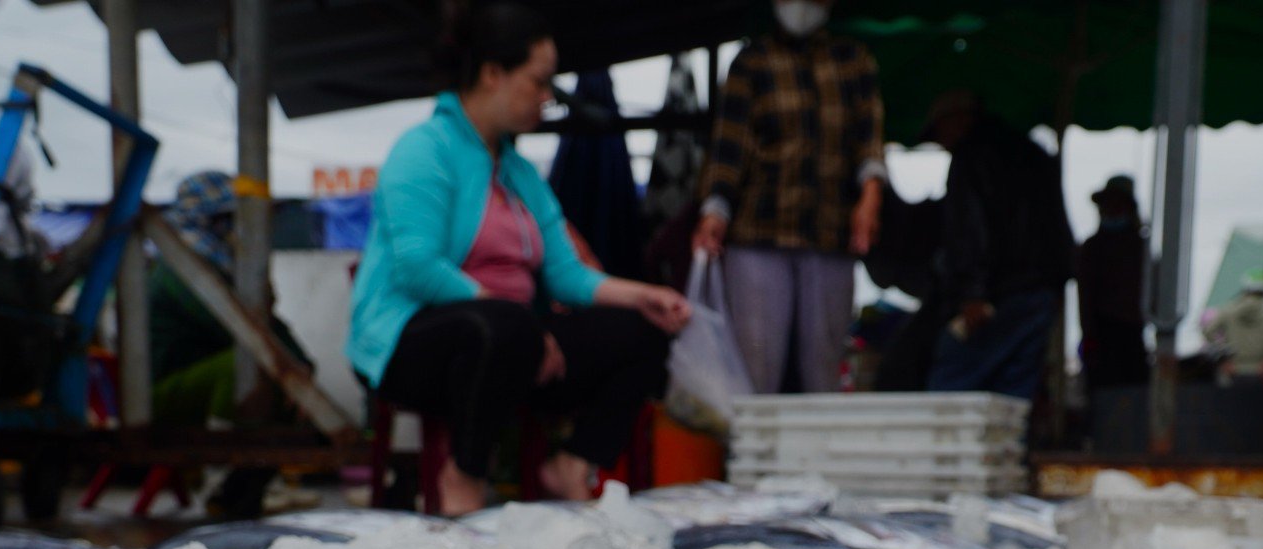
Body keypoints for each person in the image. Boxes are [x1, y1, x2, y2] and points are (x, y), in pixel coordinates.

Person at [346, 4, 689, 516]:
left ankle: (572, 464)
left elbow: (566, 275)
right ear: (492, 74)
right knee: (500, 327)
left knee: (642, 332)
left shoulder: (521, 174)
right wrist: (525, 328)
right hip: (412, 345)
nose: (548, 98)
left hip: (510, 346)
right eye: (539, 82)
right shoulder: (423, 150)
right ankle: (462, 480)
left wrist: (643, 294)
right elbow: (417, 269)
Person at [692, 0, 885, 394]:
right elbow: (729, 149)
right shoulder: (753, 62)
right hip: (759, 236)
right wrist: (715, 210)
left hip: (830, 237)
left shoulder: (853, 61)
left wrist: (870, 199)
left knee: (823, 370)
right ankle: (755, 454)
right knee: (757, 368)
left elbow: (869, 142)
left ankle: (820, 454)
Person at [149, 170, 314, 518]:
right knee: (248, 363)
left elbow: (269, 327)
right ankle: (219, 472)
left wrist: (302, 372)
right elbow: (239, 330)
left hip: (205, 385)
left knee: (287, 383)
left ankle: (242, 486)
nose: (232, 229)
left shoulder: (220, 268)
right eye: (226, 219)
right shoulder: (180, 270)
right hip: (165, 394)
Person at [917, 90, 1074, 401]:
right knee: (1013, 402)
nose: (940, 141)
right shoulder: (1034, 154)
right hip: (1040, 292)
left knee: (949, 389)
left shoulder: (972, 157)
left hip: (995, 297)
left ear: (958, 120)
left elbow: (969, 230)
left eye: (940, 132)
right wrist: (1057, 283)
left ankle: (946, 452)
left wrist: (972, 292)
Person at [1076, 175, 1150, 390]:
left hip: (1132, 335)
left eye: (1117, 204)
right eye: (1107, 204)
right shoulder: (1091, 247)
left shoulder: (1140, 246)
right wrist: (1089, 335)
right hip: (1101, 336)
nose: (1111, 209)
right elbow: (1085, 295)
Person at [1206, 270, 1263, 385]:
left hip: (1233, 368)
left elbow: (1209, 331)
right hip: (1262, 369)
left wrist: (1224, 356)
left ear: (1245, 289)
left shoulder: (1229, 309)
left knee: (1232, 402)